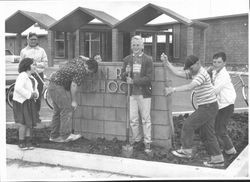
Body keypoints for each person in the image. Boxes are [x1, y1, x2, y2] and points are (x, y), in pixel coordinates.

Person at [161, 53, 224, 167]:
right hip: (208, 106)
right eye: (188, 68)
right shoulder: (194, 71)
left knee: (188, 125)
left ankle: (186, 150)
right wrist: (167, 62)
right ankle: (217, 158)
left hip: (208, 106)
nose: (190, 70)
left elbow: (190, 86)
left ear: (198, 63)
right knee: (207, 133)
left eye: (191, 67)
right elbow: (178, 73)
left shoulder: (201, 74)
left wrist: (172, 89)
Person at [48, 56, 98, 143]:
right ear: (87, 67)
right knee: (67, 110)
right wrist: (74, 101)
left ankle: (54, 136)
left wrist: (90, 59)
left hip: (52, 85)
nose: (88, 74)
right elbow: (74, 86)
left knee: (57, 112)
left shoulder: (79, 61)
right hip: (58, 87)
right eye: (89, 72)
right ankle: (65, 136)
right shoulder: (81, 71)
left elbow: (81, 56)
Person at [121, 35, 153, 153]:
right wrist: (126, 73)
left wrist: (134, 81)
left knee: (145, 119)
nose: (135, 47)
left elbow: (149, 78)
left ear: (142, 46)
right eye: (133, 45)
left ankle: (147, 142)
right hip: (131, 94)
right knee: (133, 119)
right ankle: (137, 139)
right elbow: (122, 77)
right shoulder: (127, 59)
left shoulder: (148, 60)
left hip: (144, 94)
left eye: (138, 45)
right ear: (131, 46)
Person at [210, 52, 237, 155]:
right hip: (220, 105)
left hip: (227, 105)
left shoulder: (223, 75)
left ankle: (231, 151)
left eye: (219, 62)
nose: (216, 64)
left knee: (220, 129)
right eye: (214, 62)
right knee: (216, 128)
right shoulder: (215, 72)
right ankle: (226, 149)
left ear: (224, 63)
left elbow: (215, 91)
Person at [20, 32, 48, 123]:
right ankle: (28, 117)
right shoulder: (23, 51)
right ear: (27, 40)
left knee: (37, 96)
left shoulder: (42, 50)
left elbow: (46, 64)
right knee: (28, 96)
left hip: (38, 76)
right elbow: (21, 65)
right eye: (31, 39)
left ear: (37, 40)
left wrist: (37, 64)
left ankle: (36, 115)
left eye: (35, 39)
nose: (33, 41)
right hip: (28, 77)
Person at [12, 58, 39, 150]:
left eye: (36, 65)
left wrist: (35, 94)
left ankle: (28, 142)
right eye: (34, 64)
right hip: (21, 103)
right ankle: (21, 142)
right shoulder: (22, 75)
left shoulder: (32, 78)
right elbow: (18, 88)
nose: (35, 66)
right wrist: (30, 94)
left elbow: (35, 90)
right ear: (27, 66)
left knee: (29, 123)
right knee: (23, 123)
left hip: (29, 102)